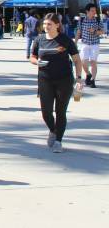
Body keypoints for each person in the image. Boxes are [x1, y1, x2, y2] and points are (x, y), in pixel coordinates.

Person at [30, 13, 83, 153]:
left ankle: (58, 141)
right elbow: (32, 57)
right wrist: (37, 62)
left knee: (61, 111)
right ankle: (53, 130)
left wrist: (79, 78)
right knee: (45, 112)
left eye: (49, 24)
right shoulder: (39, 39)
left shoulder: (65, 40)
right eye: (45, 24)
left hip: (64, 80)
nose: (46, 27)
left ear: (57, 25)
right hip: (44, 79)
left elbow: (77, 60)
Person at [76, 3, 103, 88]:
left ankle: (93, 80)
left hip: (95, 43)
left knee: (93, 62)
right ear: (87, 11)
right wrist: (75, 43)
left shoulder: (98, 20)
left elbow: (102, 31)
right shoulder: (82, 20)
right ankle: (88, 74)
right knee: (83, 62)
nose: (94, 12)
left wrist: (94, 31)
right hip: (85, 43)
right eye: (92, 10)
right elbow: (78, 32)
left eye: (95, 10)